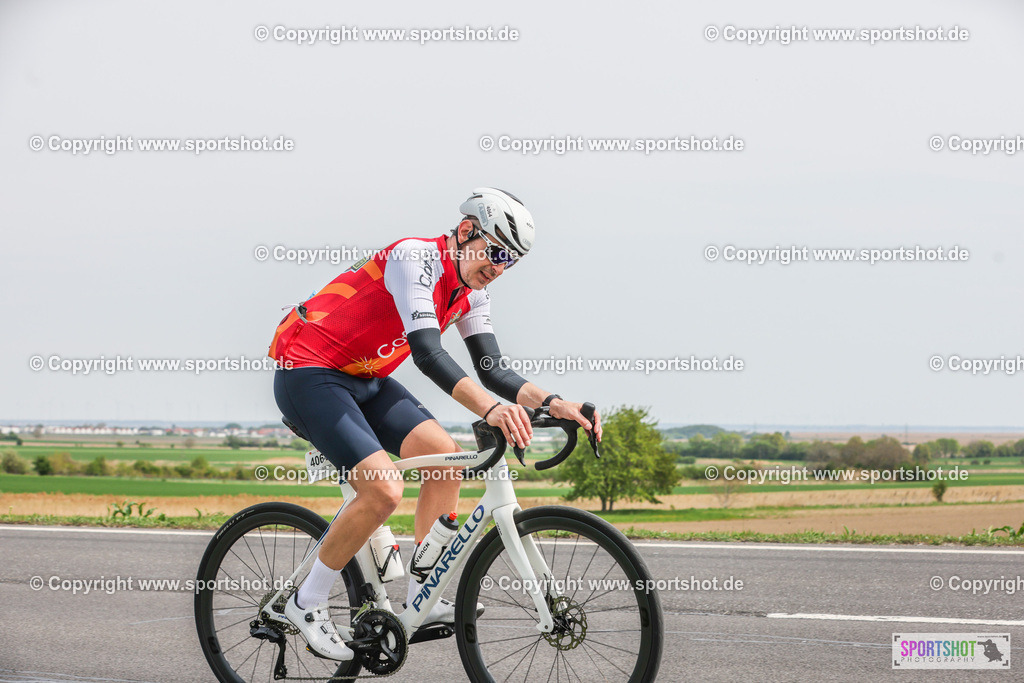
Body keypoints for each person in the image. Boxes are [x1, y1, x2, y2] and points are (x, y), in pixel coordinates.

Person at [267, 187, 602, 660]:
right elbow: (427, 352)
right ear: (467, 231)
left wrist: (554, 401)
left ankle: (423, 598)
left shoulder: (472, 292)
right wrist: (489, 410)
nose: (500, 268)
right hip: (309, 373)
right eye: (498, 252)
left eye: (512, 261)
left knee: (446, 465)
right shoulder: (415, 258)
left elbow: (493, 369)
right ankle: (308, 601)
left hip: (365, 378)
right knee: (383, 490)